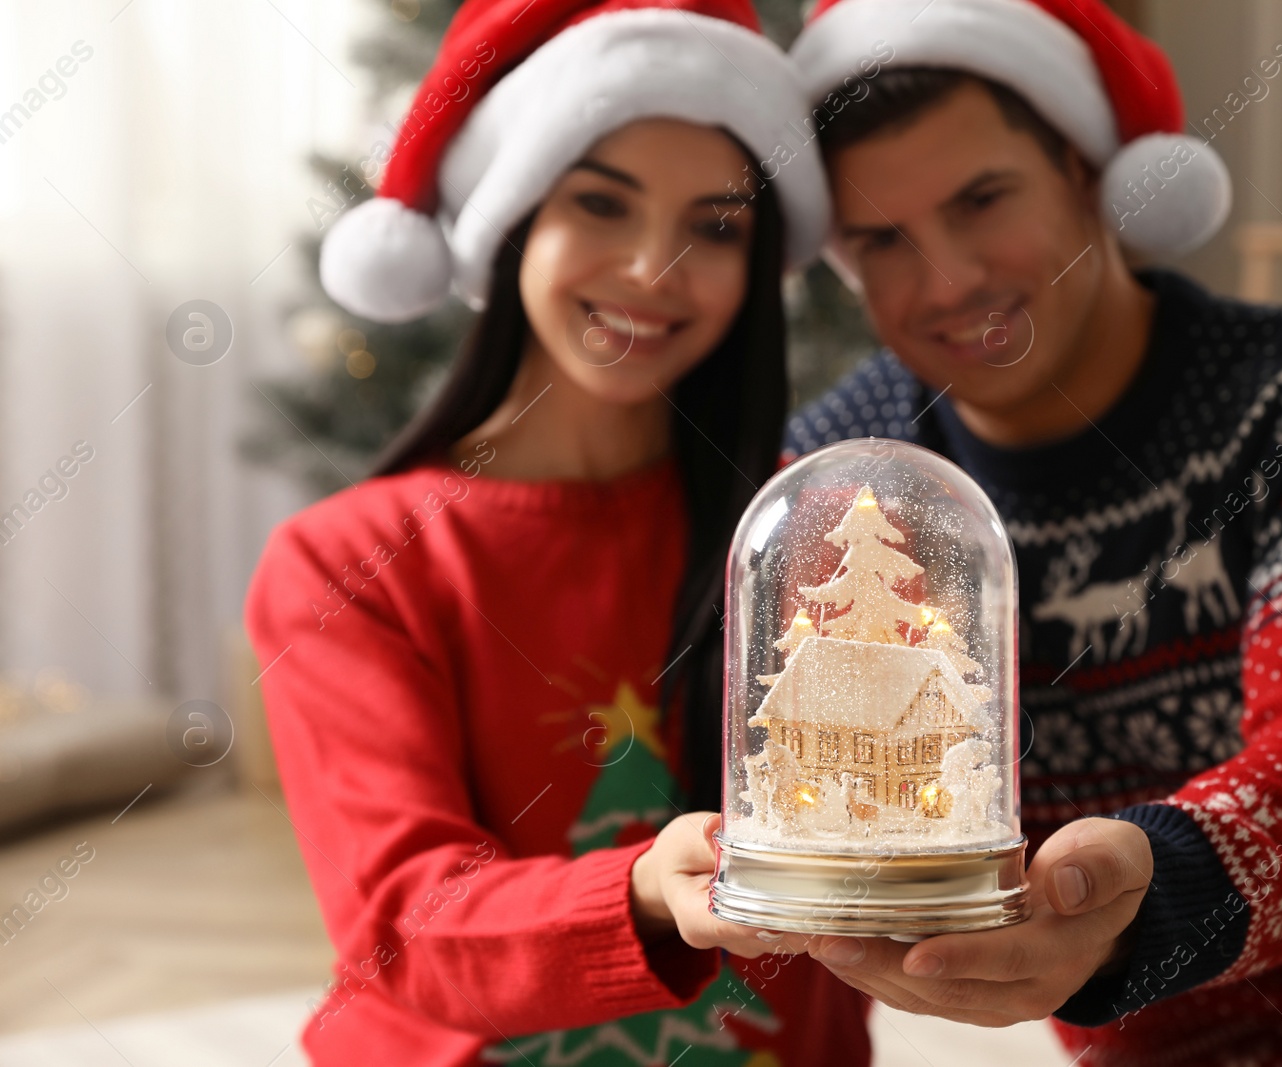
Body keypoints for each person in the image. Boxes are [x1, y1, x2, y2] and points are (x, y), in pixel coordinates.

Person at [779, 0, 1282, 1064]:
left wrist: (1153, 881)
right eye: (879, 239)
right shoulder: (842, 489)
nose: (946, 279)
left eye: (983, 199)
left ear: (1088, 171)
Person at [243, 1, 867, 1064]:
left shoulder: (806, 537)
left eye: (714, 227)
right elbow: (402, 929)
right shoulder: (345, 563)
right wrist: (636, 888)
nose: (651, 271)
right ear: (516, 215)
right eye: (601, 204)